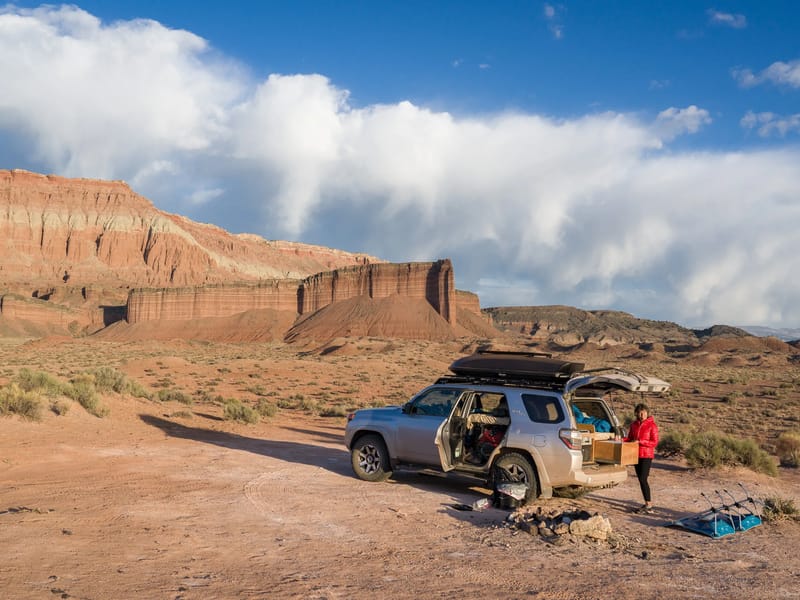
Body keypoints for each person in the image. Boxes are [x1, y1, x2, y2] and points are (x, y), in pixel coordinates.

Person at [624, 403, 659, 513]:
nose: (641, 414)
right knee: (640, 479)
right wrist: (620, 439)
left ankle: (649, 504)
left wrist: (640, 442)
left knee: (643, 479)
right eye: (639, 412)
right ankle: (647, 503)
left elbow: (654, 442)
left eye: (643, 412)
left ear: (647, 413)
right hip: (635, 455)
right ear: (636, 413)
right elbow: (630, 438)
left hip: (646, 455)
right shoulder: (634, 425)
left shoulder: (652, 425)